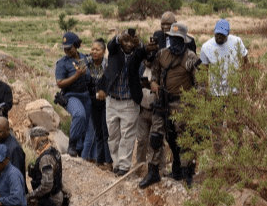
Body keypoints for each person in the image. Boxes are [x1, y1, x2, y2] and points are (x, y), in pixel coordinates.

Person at [140, 23, 200, 189]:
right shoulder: (161, 54)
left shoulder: (191, 58)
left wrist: (195, 104)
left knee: (185, 140)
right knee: (156, 137)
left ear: (184, 40)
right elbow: (155, 74)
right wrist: (153, 84)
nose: (174, 43)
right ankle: (152, 172)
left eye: (178, 40)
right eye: (171, 39)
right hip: (162, 102)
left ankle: (188, 174)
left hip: (183, 104)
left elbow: (201, 83)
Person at [97, 29, 147, 177]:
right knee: (112, 136)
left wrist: (139, 44)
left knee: (127, 136)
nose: (129, 44)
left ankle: (124, 167)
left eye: (132, 41)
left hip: (129, 102)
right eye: (126, 41)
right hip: (112, 101)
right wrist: (119, 38)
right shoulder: (114, 51)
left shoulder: (137, 54)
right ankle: (117, 164)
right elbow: (111, 44)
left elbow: (144, 52)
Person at [55, 32, 92, 158]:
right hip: (71, 95)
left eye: (69, 48)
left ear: (77, 45)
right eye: (64, 48)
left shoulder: (85, 58)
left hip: (86, 95)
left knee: (85, 124)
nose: (66, 51)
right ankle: (72, 144)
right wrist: (76, 76)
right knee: (79, 114)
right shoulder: (62, 63)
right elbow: (60, 83)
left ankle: (80, 150)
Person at [198, 19, 248, 97]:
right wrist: (205, 92)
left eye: (222, 34)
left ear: (228, 33)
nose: (219, 37)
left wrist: (244, 82)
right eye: (217, 34)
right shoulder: (206, 47)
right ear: (214, 32)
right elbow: (203, 71)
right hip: (216, 91)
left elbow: (246, 62)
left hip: (234, 90)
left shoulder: (237, 41)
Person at [84, 39, 112, 168]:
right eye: (92, 49)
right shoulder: (87, 63)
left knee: (106, 132)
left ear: (104, 51)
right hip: (93, 102)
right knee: (97, 131)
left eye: (97, 49)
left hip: (106, 102)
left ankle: (108, 161)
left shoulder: (107, 65)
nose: (94, 52)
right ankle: (99, 160)